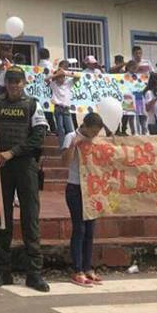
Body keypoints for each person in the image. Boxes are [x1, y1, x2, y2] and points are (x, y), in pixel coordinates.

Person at [0, 66, 49, 292]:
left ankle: (35, 274)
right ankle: (3, 272)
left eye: (17, 81)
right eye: (10, 81)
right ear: (6, 84)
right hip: (1, 166)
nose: (13, 85)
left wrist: (12, 152)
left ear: (24, 83)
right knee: (2, 220)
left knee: (30, 219)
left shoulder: (33, 105)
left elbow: (39, 136)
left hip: (25, 166)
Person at [62, 112, 104, 287]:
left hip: (91, 188)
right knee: (79, 228)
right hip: (75, 187)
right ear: (84, 126)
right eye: (92, 131)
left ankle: (88, 267)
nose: (94, 135)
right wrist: (73, 146)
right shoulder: (71, 136)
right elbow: (65, 162)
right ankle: (77, 269)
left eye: (97, 132)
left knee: (90, 230)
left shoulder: (96, 140)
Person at [47, 60, 78, 145]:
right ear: (56, 78)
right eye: (60, 77)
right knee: (60, 129)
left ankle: (71, 146)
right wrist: (57, 74)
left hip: (66, 109)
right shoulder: (54, 84)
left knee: (70, 129)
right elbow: (46, 79)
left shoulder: (68, 83)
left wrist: (65, 73)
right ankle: (62, 146)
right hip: (58, 108)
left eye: (63, 77)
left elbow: (77, 77)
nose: (62, 79)